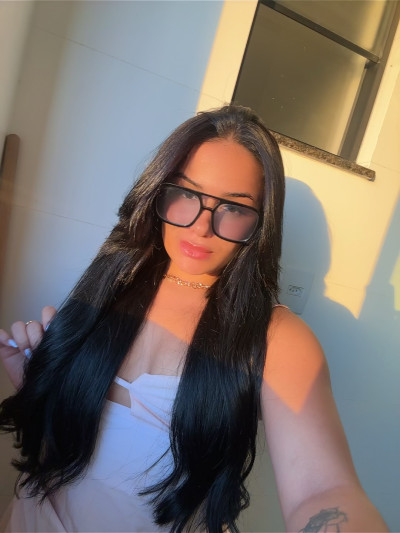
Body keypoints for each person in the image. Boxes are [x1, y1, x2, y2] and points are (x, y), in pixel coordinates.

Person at [0, 105, 387, 533]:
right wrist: (39, 384)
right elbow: (67, 454)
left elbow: (323, 490)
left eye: (233, 207)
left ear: (260, 224)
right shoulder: (112, 283)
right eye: (187, 194)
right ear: (158, 191)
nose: (202, 226)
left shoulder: (277, 338)